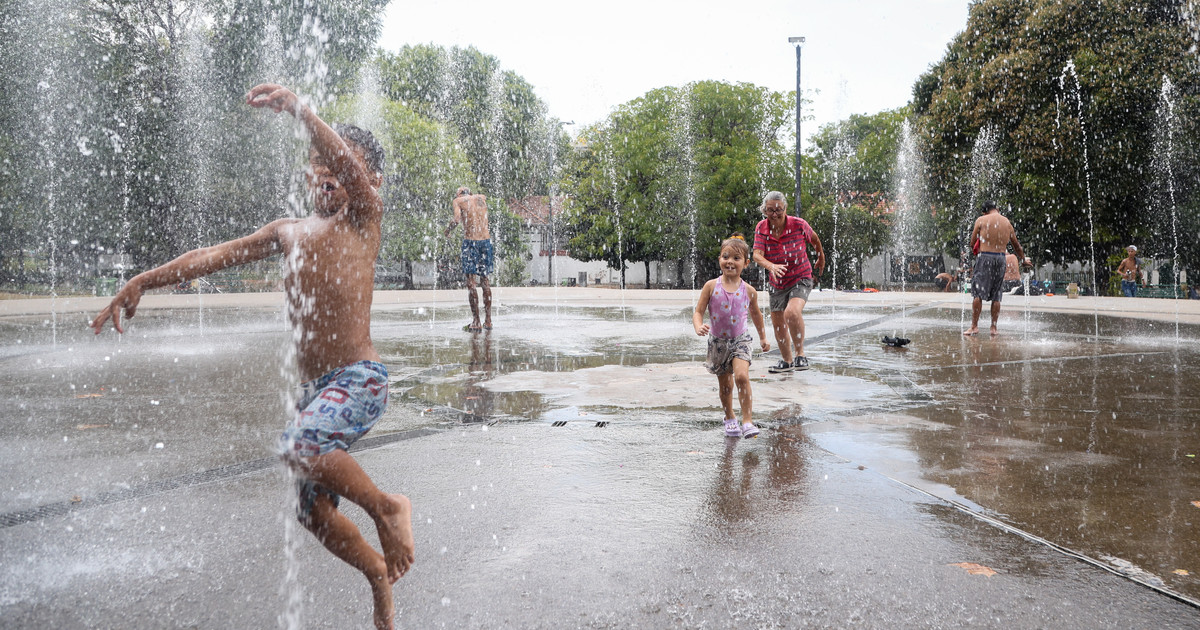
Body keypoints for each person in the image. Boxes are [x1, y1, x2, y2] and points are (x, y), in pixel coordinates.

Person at [89, 83, 413, 630]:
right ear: (307, 173)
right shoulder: (287, 232)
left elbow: (347, 168)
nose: (328, 171)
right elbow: (212, 256)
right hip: (316, 393)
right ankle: (377, 575)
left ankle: (386, 507)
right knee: (311, 510)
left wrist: (302, 112)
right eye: (317, 164)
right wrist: (144, 279)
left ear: (368, 179)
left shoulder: (364, 219)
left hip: (358, 379)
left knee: (299, 445)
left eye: (342, 164)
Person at [693, 233, 770, 438]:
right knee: (725, 386)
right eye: (725, 256)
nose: (729, 262)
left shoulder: (749, 290)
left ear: (745, 263)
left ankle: (747, 421)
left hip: (740, 340)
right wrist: (698, 325)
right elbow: (698, 311)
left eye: (736, 258)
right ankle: (729, 417)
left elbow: (757, 315)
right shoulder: (711, 286)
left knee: (742, 377)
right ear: (719, 259)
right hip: (718, 343)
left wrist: (763, 337)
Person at [751, 191, 824, 372]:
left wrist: (821, 257)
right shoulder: (762, 228)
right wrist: (771, 266)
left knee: (791, 313)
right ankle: (787, 360)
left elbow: (814, 239)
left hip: (801, 276)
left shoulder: (798, 224)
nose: (774, 214)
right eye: (770, 210)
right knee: (778, 322)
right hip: (777, 282)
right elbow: (756, 255)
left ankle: (800, 355)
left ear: (785, 208)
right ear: (764, 210)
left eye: (778, 210)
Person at [965, 200, 1031, 337]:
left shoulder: (981, 220)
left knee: (978, 293)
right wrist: (1023, 259)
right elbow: (1017, 245)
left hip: (985, 257)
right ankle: (993, 328)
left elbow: (972, 243)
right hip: (1001, 258)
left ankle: (974, 326)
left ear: (984, 211)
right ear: (997, 209)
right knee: (996, 294)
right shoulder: (1007, 222)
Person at [444, 186, 493, 331]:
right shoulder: (481, 198)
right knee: (485, 281)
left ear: (459, 194)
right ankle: (488, 320)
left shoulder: (458, 201)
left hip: (470, 242)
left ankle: (476, 321)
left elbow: (457, 219)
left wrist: (447, 230)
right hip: (485, 241)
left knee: (471, 283)